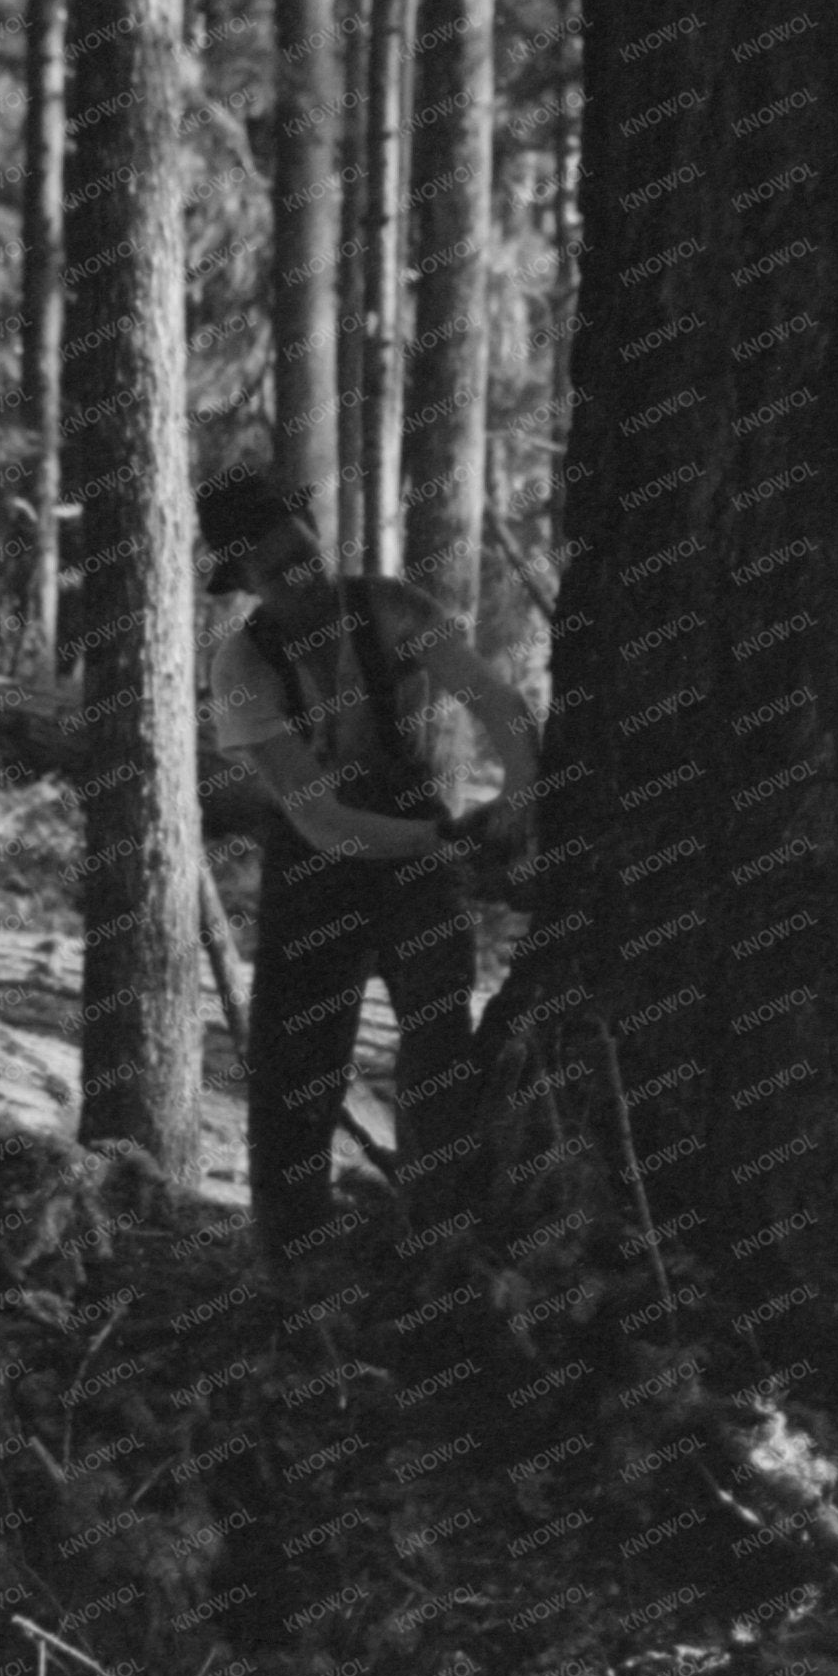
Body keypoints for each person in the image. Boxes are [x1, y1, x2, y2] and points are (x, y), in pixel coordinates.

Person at [197, 472, 542, 1260]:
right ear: (243, 581)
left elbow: (498, 702)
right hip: (316, 866)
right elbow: (317, 818)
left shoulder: (388, 608)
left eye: (306, 555)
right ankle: (291, 1258)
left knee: (435, 1040)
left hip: (415, 849)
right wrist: (446, 845)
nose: (302, 578)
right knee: (295, 1066)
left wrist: (521, 792)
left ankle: (439, 1235)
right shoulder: (241, 666)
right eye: (277, 571)